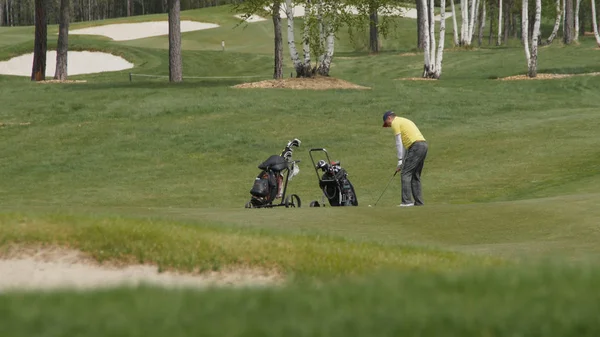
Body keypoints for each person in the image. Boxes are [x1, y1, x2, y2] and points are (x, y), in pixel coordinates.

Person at [382, 110, 428, 206]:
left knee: (405, 173)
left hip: (416, 146)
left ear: (389, 118)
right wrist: (402, 161)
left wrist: (399, 161)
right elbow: (405, 146)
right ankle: (419, 202)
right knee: (415, 175)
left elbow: (398, 142)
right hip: (423, 145)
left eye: (387, 123)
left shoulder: (395, 123)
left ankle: (406, 202)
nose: (389, 126)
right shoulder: (403, 120)